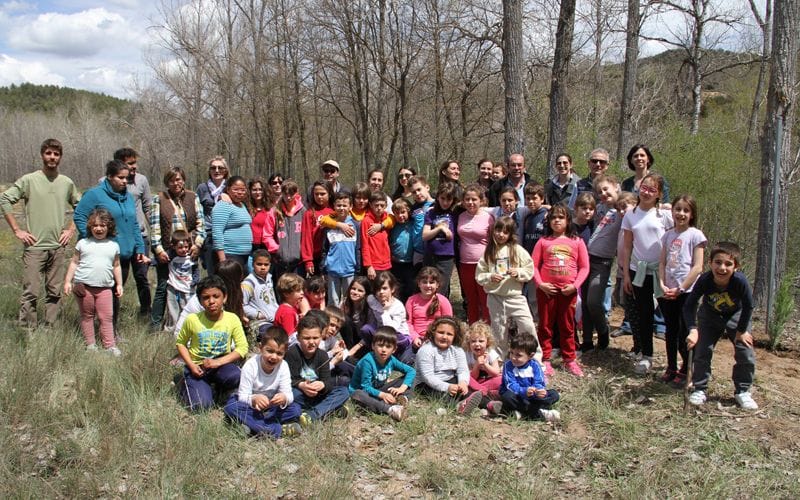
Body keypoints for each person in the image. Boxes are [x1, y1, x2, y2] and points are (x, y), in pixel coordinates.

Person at [0, 138, 80, 328]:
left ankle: (52, 330)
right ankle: (27, 331)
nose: (52, 157)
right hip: (34, 247)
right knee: (31, 292)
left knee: (55, 292)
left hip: (57, 247)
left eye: (56, 154)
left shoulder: (66, 182)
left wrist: (70, 230)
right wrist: (17, 230)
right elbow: (5, 200)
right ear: (42, 155)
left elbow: (81, 207)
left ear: (60, 157)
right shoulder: (29, 180)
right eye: (48, 153)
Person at [74, 159, 149, 329]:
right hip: (102, 255)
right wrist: (94, 239)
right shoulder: (95, 194)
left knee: (115, 295)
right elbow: (79, 216)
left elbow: (134, 224)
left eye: (127, 178)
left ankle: (111, 331)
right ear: (109, 177)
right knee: (101, 296)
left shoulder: (128, 197)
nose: (125, 182)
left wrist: (139, 247)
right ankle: (97, 332)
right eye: (120, 178)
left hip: (124, 254)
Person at [685, 242, 757, 410]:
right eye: (718, 262)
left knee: (745, 351)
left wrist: (742, 331)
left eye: (728, 264)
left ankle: (743, 391)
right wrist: (692, 329)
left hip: (736, 315)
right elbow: (689, 305)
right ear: (710, 263)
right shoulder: (705, 280)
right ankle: (700, 388)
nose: (722, 268)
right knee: (703, 350)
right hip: (710, 315)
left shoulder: (740, 281)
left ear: (736, 266)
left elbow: (748, 306)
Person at [620, 174, 674, 374]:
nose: (647, 192)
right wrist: (626, 275)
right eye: (644, 188)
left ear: (659, 194)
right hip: (638, 270)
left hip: (661, 271)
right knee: (644, 314)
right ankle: (646, 355)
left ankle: (673, 362)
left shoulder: (664, 215)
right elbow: (627, 247)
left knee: (669, 314)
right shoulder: (630, 215)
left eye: (652, 190)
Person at [532, 204, 590, 378]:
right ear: (548, 221)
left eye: (561, 217)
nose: (557, 220)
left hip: (568, 291)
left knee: (567, 326)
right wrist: (540, 284)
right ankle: (546, 358)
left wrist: (575, 286)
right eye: (553, 218)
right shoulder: (543, 241)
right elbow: (533, 266)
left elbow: (584, 267)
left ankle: (569, 358)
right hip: (546, 291)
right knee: (545, 325)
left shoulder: (577, 241)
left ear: (568, 220)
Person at [176, 275, 248, 412]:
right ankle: (187, 385)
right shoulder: (193, 319)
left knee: (237, 376)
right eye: (206, 298)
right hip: (198, 368)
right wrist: (191, 365)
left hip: (221, 365)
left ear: (224, 297)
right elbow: (181, 343)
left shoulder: (232, 319)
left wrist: (218, 362)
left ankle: (218, 388)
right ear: (200, 301)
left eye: (216, 296)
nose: (211, 301)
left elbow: (242, 348)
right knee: (201, 406)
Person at [222, 325, 304, 438]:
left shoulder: (283, 366)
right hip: (250, 407)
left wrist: (284, 398)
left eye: (279, 353)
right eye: (269, 351)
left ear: (285, 353)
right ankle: (278, 430)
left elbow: (289, 395)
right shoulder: (250, 365)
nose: (274, 357)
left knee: (295, 410)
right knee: (231, 407)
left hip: (270, 408)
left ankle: (249, 427)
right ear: (260, 348)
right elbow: (242, 396)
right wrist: (254, 399)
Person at [658, 195, 706, 384]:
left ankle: (687, 368)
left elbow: (698, 267)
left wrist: (681, 288)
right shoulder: (668, 235)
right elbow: (662, 262)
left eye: (686, 210)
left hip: (687, 292)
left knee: (685, 331)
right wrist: (662, 283)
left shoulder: (696, 235)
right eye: (678, 209)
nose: (681, 213)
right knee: (670, 330)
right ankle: (671, 366)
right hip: (668, 290)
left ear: (692, 214)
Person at [150, 166, 204, 332]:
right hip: (168, 250)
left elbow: (201, 224)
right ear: (167, 182)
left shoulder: (192, 197)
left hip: (189, 249)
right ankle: (156, 325)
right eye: (172, 180)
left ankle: (191, 321)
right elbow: (154, 227)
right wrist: (159, 250)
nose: (176, 183)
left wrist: (197, 244)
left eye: (179, 179)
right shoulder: (159, 199)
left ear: (184, 180)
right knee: (163, 286)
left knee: (190, 286)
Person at [63, 208, 123, 355]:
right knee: (87, 316)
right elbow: (74, 263)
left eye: (103, 225)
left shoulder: (113, 245)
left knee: (106, 317)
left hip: (105, 288)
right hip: (84, 286)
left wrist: (119, 284)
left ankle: (110, 346)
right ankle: (90, 345)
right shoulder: (83, 243)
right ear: (90, 227)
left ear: (109, 227)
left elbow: (116, 266)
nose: (99, 228)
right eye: (95, 225)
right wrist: (67, 281)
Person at [475, 216, 537, 354]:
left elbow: (529, 269)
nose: (501, 235)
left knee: (527, 325)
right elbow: (479, 275)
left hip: (515, 296)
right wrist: (490, 276)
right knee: (498, 330)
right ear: (493, 231)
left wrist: (518, 272)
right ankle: (499, 358)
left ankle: (533, 355)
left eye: (505, 232)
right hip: (495, 296)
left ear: (510, 234)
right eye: (498, 230)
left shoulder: (517, 250)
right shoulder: (488, 251)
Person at [580, 175, 623, 352]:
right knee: (585, 302)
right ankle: (588, 340)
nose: (603, 194)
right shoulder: (598, 209)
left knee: (594, 301)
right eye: (599, 192)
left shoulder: (623, 210)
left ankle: (603, 330)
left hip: (603, 260)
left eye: (606, 189)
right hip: (586, 258)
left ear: (616, 187)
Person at [286, 314, 351, 424]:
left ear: (321, 337)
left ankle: (312, 415)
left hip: (317, 394)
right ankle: (329, 410)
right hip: (300, 393)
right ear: (298, 338)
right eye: (306, 338)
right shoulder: (292, 353)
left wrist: (323, 385)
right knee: (291, 395)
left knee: (343, 391)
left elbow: (327, 381)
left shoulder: (322, 355)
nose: (311, 342)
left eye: (315, 338)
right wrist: (301, 385)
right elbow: (289, 380)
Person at [414, 316, 483, 415]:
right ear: (433, 333)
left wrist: (463, 383)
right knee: (440, 395)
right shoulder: (426, 350)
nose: (444, 337)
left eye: (449, 334)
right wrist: (447, 387)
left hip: (449, 380)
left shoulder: (457, 351)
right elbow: (428, 377)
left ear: (455, 336)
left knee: (467, 390)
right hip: (426, 384)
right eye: (441, 332)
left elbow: (463, 370)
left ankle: (489, 404)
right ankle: (459, 406)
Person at [113, 147, 152, 316]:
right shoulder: (106, 182)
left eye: (135, 162)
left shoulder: (142, 180)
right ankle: (113, 313)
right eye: (130, 164)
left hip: (140, 238)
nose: (134, 167)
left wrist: (155, 233)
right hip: (118, 239)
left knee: (142, 276)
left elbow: (148, 207)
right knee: (117, 277)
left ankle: (145, 311)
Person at [348, 326, 415, 421]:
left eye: (388, 347)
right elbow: (365, 387)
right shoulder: (368, 361)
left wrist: (402, 388)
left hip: (378, 390)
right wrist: (383, 395)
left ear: (394, 349)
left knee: (411, 378)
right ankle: (390, 409)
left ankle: (402, 397)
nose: (384, 350)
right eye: (380, 345)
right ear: (373, 346)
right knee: (357, 394)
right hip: (364, 392)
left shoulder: (391, 360)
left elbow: (411, 371)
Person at [490, 334, 560, 422]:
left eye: (518, 355)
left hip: (531, 396)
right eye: (511, 352)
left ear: (530, 355)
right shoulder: (508, 365)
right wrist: (524, 391)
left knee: (554, 394)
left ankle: (522, 412)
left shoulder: (535, 365)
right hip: (516, 395)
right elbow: (510, 385)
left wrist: (539, 391)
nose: (513, 357)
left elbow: (539, 381)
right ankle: (539, 413)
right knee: (507, 396)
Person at [456, 184, 493, 324]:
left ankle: (487, 330)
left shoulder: (488, 217)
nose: (470, 202)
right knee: (471, 299)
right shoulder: (460, 216)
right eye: (467, 199)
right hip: (465, 264)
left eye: (474, 199)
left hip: (484, 264)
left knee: (485, 299)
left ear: (481, 200)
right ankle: (473, 328)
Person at [363, 271, 413, 363]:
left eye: (384, 288)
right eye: (378, 289)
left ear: (392, 289)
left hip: (398, 336)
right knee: (366, 329)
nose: (381, 292)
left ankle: (394, 353)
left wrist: (385, 311)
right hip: (381, 332)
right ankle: (376, 352)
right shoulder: (372, 299)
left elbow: (391, 329)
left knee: (405, 359)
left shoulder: (398, 306)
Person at [321, 192, 360, 306]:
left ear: (350, 207)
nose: (341, 208)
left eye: (344, 205)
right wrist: (324, 268)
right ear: (334, 206)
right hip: (332, 270)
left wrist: (358, 268)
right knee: (333, 301)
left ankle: (348, 323)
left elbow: (358, 248)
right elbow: (325, 249)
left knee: (349, 301)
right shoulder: (329, 227)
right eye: (338, 205)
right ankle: (333, 322)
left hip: (350, 270)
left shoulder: (356, 225)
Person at [263, 179, 306, 282]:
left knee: (297, 290)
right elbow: (267, 235)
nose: (288, 197)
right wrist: (277, 249)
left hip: (299, 262)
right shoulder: (275, 212)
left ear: (297, 193)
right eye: (285, 194)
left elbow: (307, 236)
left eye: (291, 194)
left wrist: (303, 252)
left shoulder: (303, 212)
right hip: (280, 261)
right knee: (282, 291)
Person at [422, 182, 459, 298]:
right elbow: (425, 235)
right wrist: (439, 228)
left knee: (442, 288)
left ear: (453, 200)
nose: (445, 202)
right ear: (438, 197)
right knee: (428, 285)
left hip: (446, 257)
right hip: (431, 255)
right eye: (442, 198)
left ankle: (442, 313)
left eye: (449, 199)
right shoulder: (431, 212)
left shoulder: (455, 213)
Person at [212, 176, 253, 272]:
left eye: (243, 190)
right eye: (235, 189)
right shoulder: (223, 205)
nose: (240, 192)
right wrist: (222, 260)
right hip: (229, 254)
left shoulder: (242, 205)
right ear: (228, 189)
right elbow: (217, 232)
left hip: (244, 256)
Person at [406, 267, 454, 350]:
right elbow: (408, 323)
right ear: (419, 283)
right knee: (405, 360)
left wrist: (435, 338)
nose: (428, 285)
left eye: (431, 282)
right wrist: (415, 338)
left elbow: (448, 324)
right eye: (424, 282)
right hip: (417, 340)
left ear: (437, 284)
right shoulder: (411, 300)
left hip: (437, 339)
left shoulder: (443, 301)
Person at [196, 156, 229, 273]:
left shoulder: (230, 188)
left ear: (225, 171)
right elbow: (197, 212)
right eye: (213, 168)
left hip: (227, 234)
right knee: (212, 271)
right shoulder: (202, 188)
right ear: (209, 171)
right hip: (209, 233)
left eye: (220, 168)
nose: (216, 170)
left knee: (227, 270)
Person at [621, 145, 671, 209]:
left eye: (642, 155)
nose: (639, 158)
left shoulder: (659, 180)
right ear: (631, 160)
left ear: (648, 159)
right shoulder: (626, 183)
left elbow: (666, 204)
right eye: (636, 156)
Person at [301, 181, 334, 276]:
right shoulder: (310, 213)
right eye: (316, 194)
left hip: (333, 255)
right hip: (316, 257)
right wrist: (308, 260)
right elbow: (306, 238)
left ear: (330, 194)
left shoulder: (336, 210)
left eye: (322, 194)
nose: (319, 197)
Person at [465, 321, 502, 397]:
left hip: (489, 381)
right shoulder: (468, 355)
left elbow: (496, 373)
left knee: (501, 379)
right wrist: (477, 365)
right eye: (473, 341)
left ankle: (481, 392)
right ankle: (487, 393)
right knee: (466, 378)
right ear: (469, 343)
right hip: (476, 382)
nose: (477, 344)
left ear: (487, 342)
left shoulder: (491, 353)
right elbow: (473, 377)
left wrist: (485, 365)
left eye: (481, 341)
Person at [242, 249, 279, 326]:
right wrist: (258, 314)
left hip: (274, 318)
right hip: (260, 322)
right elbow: (242, 305)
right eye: (259, 264)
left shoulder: (269, 279)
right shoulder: (248, 283)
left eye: (266, 264)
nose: (263, 267)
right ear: (252, 264)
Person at [361, 191, 392, 280]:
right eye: (376, 205)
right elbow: (365, 245)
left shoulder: (387, 219)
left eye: (382, 205)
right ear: (370, 205)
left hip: (386, 264)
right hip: (374, 265)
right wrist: (368, 266)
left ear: (386, 205)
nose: (379, 208)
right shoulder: (366, 221)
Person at [389, 198, 415, 302]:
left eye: (403, 212)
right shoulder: (393, 226)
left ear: (408, 211)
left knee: (410, 288)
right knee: (397, 290)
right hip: (396, 263)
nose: (400, 216)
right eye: (397, 213)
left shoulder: (413, 224)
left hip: (411, 263)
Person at [408, 175, 434, 267]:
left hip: (433, 251)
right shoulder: (413, 208)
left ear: (427, 187)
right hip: (418, 252)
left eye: (419, 189)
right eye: (414, 192)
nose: (417, 193)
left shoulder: (437, 205)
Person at [273, 272, 305, 341]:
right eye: (298, 290)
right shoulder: (287, 312)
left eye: (302, 289)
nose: (302, 292)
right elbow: (289, 338)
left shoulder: (288, 308)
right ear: (286, 294)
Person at [248, 177, 271, 251]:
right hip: (249, 245)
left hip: (266, 246)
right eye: (254, 190)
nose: (257, 192)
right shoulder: (245, 207)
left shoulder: (270, 208)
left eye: (260, 189)